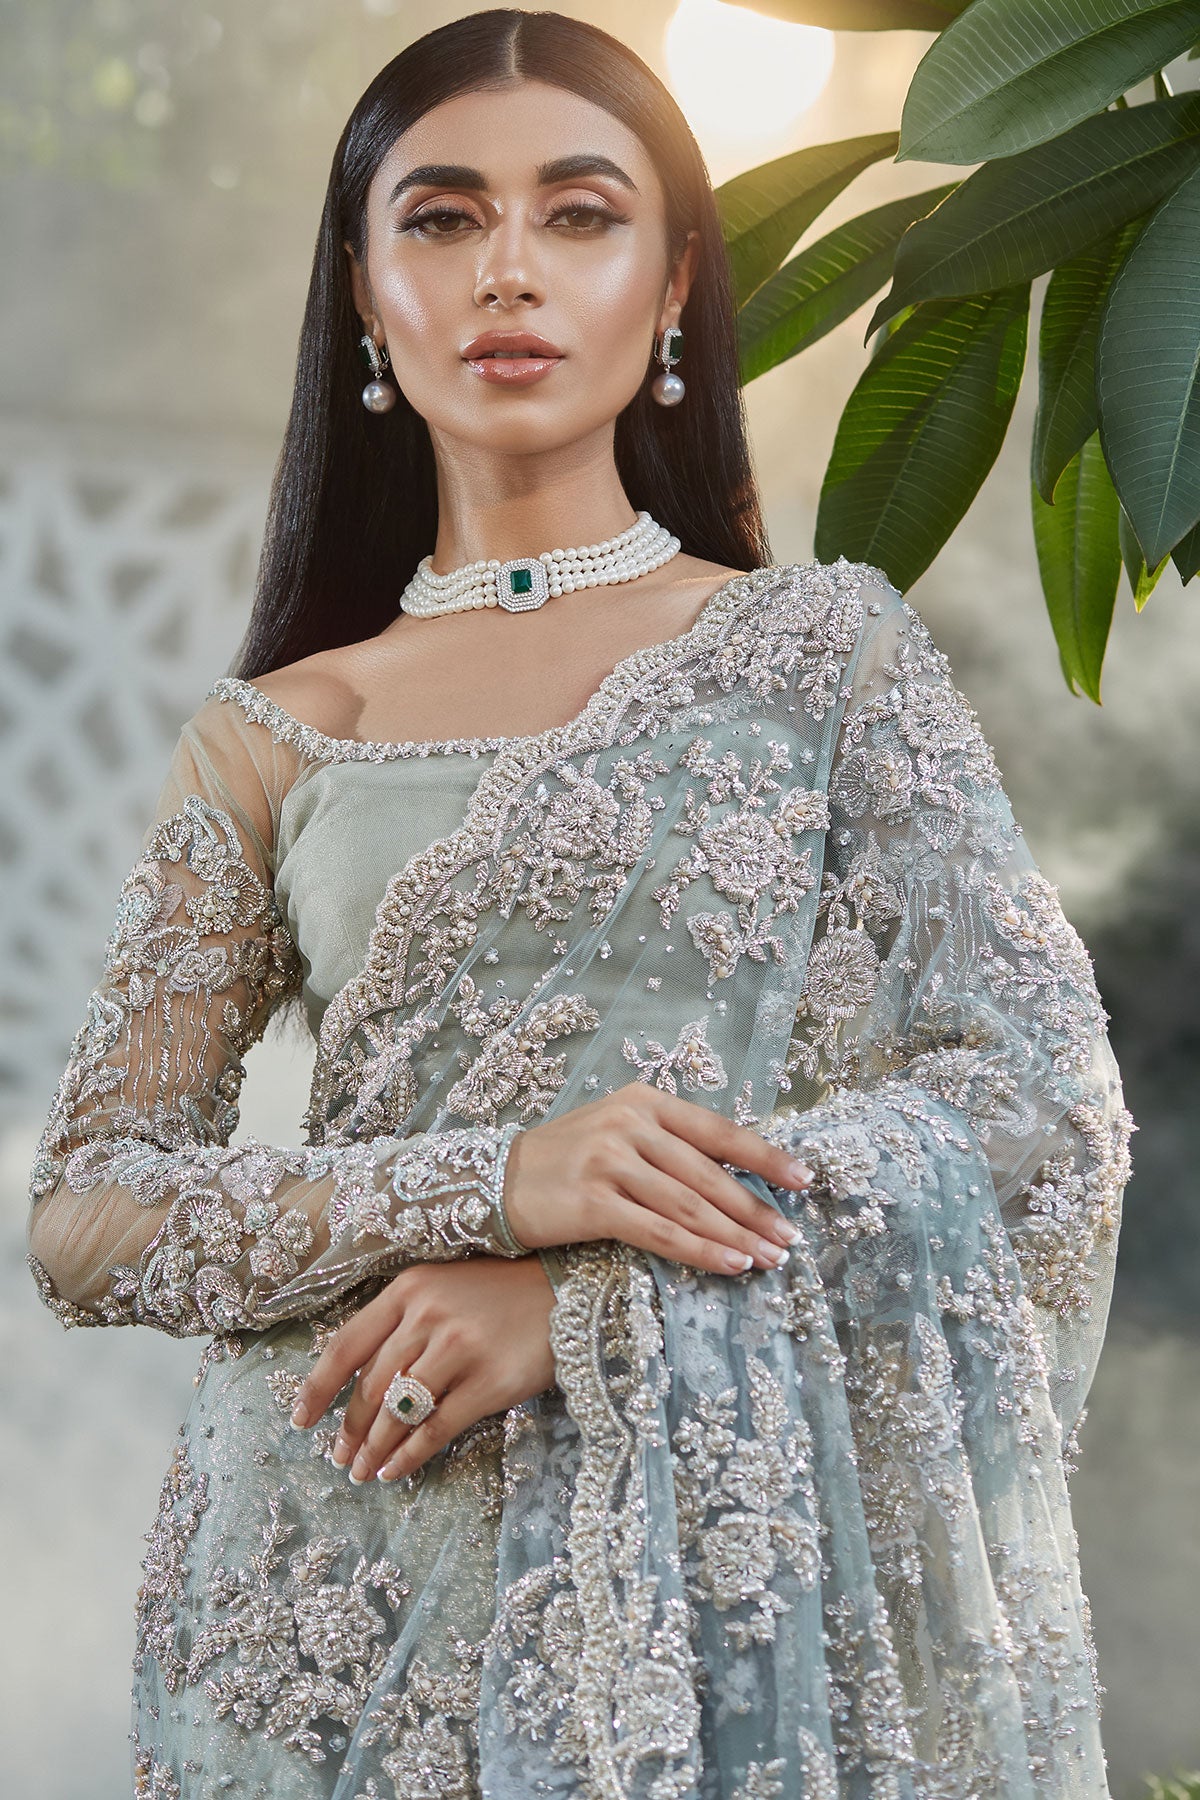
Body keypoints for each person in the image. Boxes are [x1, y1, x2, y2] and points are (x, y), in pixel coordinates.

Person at [25, 10, 1132, 1797]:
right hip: (309, 1598)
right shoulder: (280, 732)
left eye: (580, 214)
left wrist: (592, 1309)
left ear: (678, 281)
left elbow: (1033, 1112)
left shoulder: (823, 661)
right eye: (444, 219)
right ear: (368, 293)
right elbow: (92, 1208)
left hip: (701, 1599)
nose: (508, 272)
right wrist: (498, 1182)